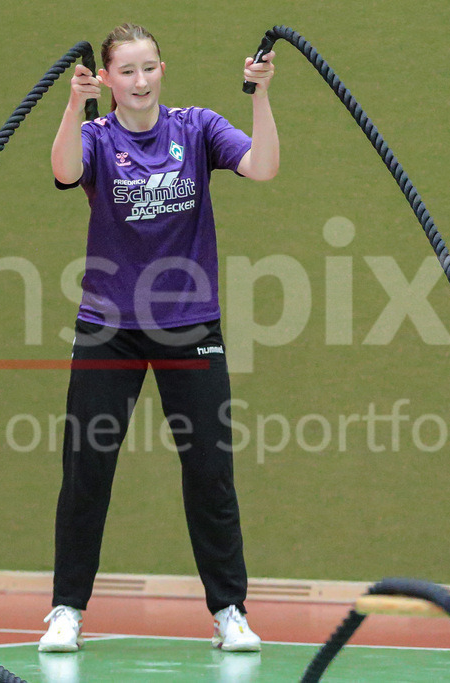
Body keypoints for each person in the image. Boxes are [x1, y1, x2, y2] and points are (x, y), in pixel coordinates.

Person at [40, 23, 278, 654]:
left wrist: (259, 95)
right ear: (108, 80)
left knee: (209, 471)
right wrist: (70, 103)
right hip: (108, 327)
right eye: (127, 71)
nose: (140, 81)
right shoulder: (95, 136)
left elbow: (263, 166)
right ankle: (66, 609)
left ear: (161, 70)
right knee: (86, 468)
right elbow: (64, 173)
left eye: (149, 68)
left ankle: (230, 611)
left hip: (190, 324)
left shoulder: (197, 127)